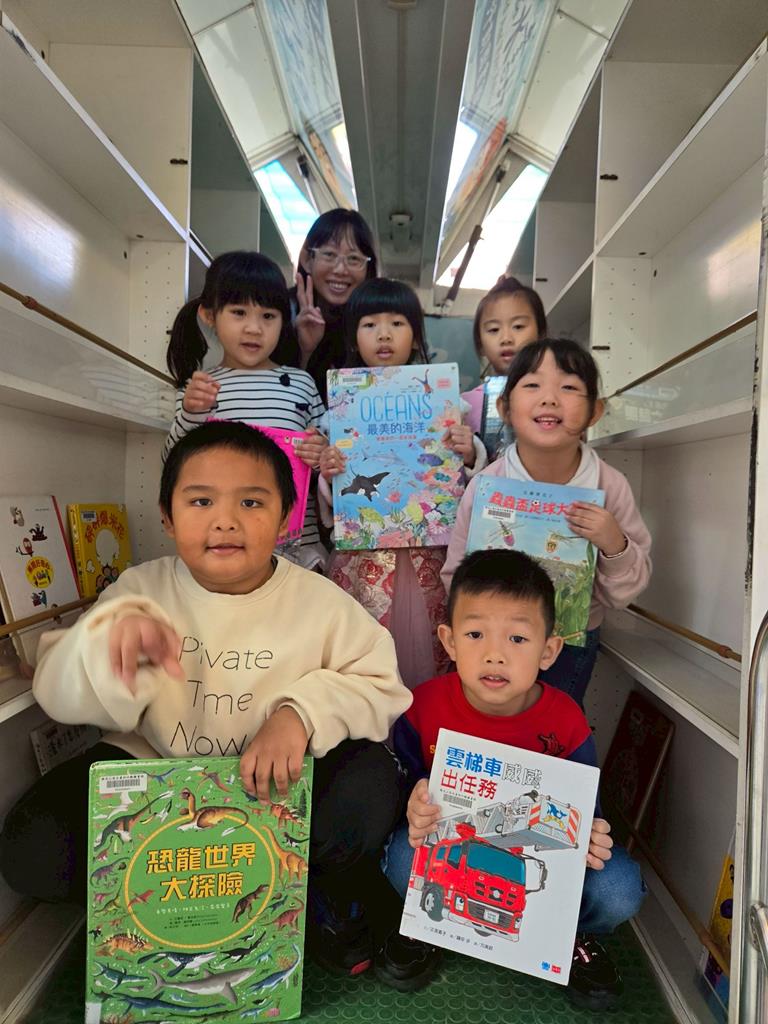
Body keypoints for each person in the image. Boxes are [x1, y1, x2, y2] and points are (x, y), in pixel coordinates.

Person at [0, 421, 412, 978]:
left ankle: (312, 896)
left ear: (286, 518)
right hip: (158, 780)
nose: (225, 520)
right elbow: (57, 692)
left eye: (251, 501)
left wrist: (300, 715)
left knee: (368, 789)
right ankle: (156, 910)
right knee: (34, 849)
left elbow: (381, 684)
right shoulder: (140, 591)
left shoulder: (320, 602)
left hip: (276, 788)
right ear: (167, 517)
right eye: (200, 501)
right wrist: (103, 647)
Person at [379, 549, 646, 1010]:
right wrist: (414, 804)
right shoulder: (422, 707)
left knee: (619, 887)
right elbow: (399, 790)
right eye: (475, 634)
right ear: (449, 641)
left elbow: (586, 811)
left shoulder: (566, 720)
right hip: (450, 850)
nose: (495, 654)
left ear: (549, 651)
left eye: (518, 638)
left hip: (530, 861)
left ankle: (567, 935)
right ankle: (428, 926)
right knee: (404, 855)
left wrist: (592, 835)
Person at [442, 339, 652, 705]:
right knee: (488, 726)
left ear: (594, 411)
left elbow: (623, 595)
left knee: (554, 729)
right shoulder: (486, 486)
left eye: (568, 387)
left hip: (569, 644)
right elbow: (454, 574)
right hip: (491, 640)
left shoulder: (609, 486)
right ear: (505, 408)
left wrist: (614, 544)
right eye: (532, 385)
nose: (550, 398)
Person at [318, 278, 486, 688]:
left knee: (430, 647)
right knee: (367, 649)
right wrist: (329, 472)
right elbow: (334, 496)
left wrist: (468, 454)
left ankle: (425, 723)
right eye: (370, 324)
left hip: (431, 552)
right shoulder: (338, 408)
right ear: (353, 336)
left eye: (397, 323)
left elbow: (468, 485)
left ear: (416, 336)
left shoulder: (447, 402)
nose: (384, 334)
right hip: (366, 557)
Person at [164, 250, 329, 570]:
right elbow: (173, 465)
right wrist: (190, 413)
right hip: (225, 544)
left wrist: (322, 454)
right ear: (209, 315)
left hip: (297, 549)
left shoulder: (301, 383)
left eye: (268, 316)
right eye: (239, 313)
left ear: (283, 320)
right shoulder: (200, 388)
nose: (254, 328)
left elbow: (330, 460)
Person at [289, 208, 378, 401]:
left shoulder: (376, 320)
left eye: (354, 259)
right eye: (329, 254)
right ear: (307, 259)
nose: (340, 269)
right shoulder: (280, 313)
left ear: (368, 268)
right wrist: (305, 351)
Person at [462, 277, 548, 437]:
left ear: (541, 334)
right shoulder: (464, 407)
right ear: (480, 344)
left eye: (518, 326)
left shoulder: (555, 397)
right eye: (494, 329)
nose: (506, 338)